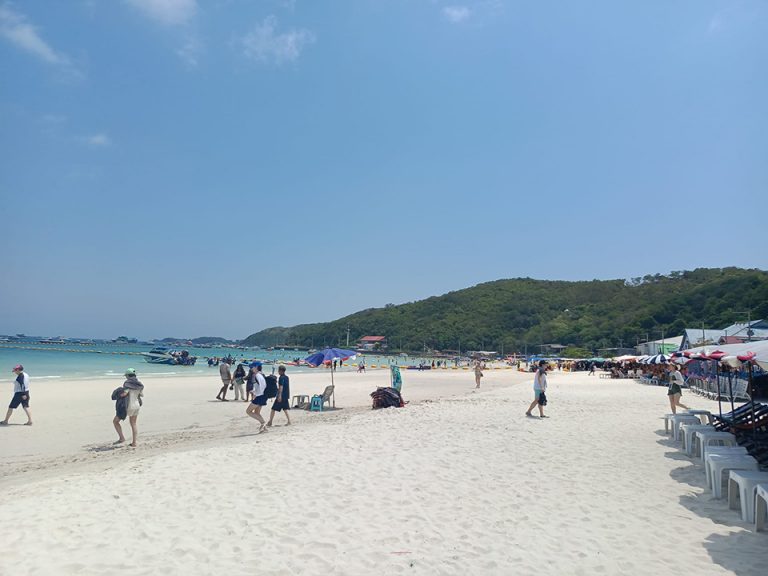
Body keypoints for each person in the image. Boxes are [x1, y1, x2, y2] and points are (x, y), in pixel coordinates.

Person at [113, 368, 144, 446]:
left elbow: (124, 394)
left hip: (128, 406)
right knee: (133, 424)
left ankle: (122, 438)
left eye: (126, 375)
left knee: (115, 421)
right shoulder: (139, 384)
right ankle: (134, 443)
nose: (126, 377)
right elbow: (141, 395)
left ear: (128, 375)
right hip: (137, 406)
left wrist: (118, 394)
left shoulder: (127, 383)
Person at [245, 362, 268, 433]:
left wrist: (255, 393)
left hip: (260, 396)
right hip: (262, 396)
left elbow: (262, 387)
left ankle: (263, 423)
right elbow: (260, 386)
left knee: (248, 411)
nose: (251, 369)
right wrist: (254, 391)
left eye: (252, 367)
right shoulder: (261, 374)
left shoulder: (258, 375)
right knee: (257, 412)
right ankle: (265, 428)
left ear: (256, 367)